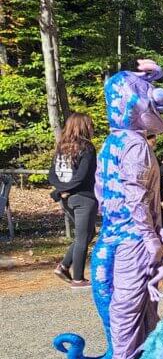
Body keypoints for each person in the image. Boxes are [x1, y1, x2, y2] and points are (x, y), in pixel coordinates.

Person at [53, 59, 163, 359]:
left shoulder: (112, 142)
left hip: (113, 236)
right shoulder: (133, 146)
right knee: (130, 301)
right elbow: (134, 195)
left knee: (139, 300)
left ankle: (141, 352)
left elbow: (104, 192)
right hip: (130, 238)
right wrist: (150, 237)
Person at [48, 113, 98, 287]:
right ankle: (78, 278)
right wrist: (64, 190)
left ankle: (63, 266)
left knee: (88, 233)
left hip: (67, 199)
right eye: (90, 125)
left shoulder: (62, 147)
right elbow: (82, 177)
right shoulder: (87, 148)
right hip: (84, 198)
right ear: (83, 126)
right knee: (83, 237)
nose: (93, 128)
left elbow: (52, 176)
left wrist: (61, 191)